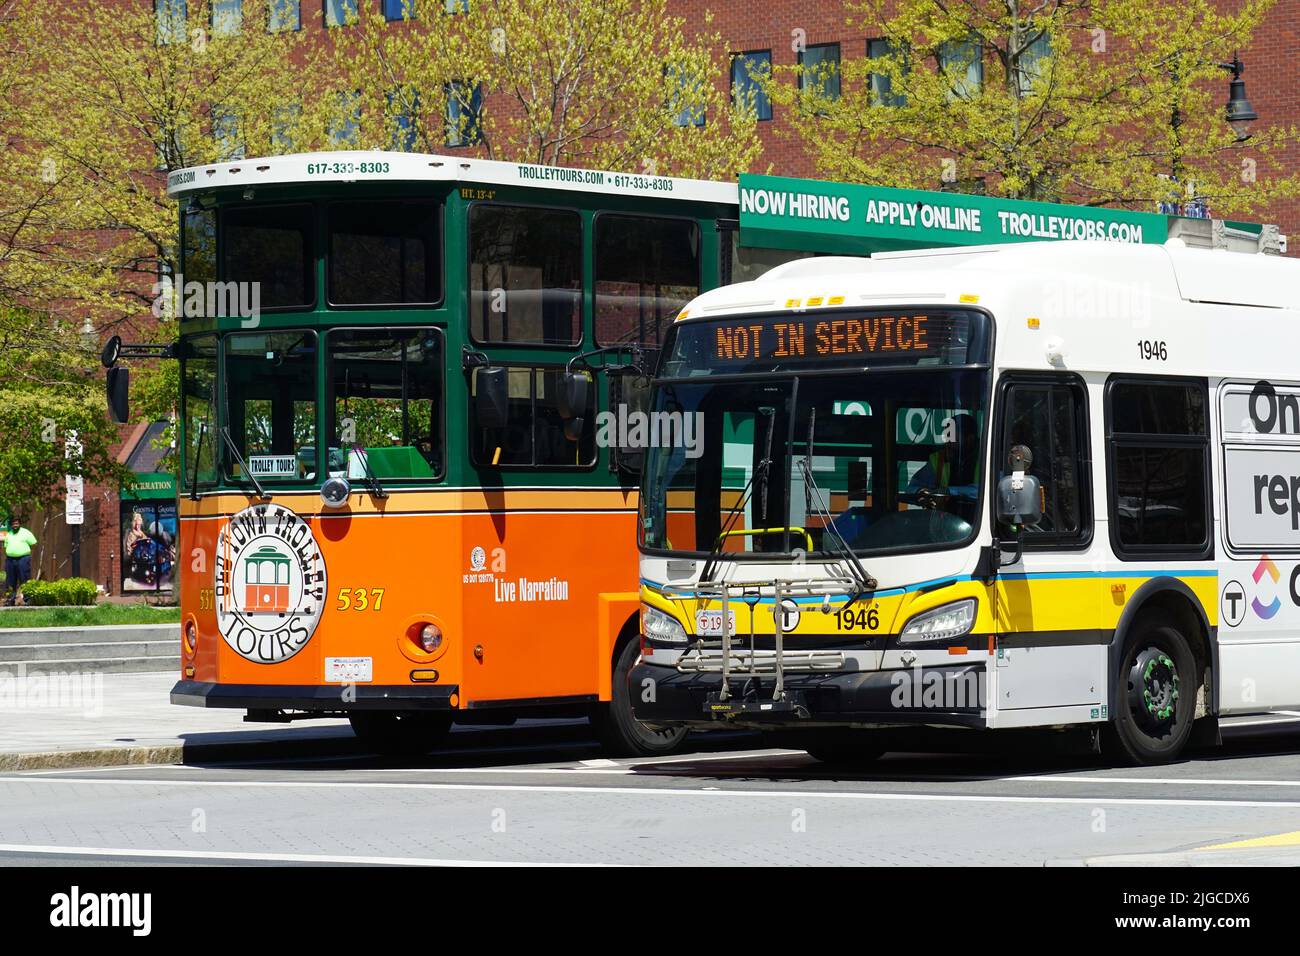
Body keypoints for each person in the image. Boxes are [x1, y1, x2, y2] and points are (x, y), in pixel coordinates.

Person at [3, 516, 37, 606]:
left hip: (23, 559)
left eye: (16, 523)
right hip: (10, 560)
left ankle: (27, 600)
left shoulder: (26, 533)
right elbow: (6, 547)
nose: (15, 525)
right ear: (11, 525)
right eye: (13, 524)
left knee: (24, 579)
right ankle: (10, 599)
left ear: (19, 524)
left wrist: (24, 552)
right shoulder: (8, 534)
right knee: (10, 580)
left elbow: (34, 544)